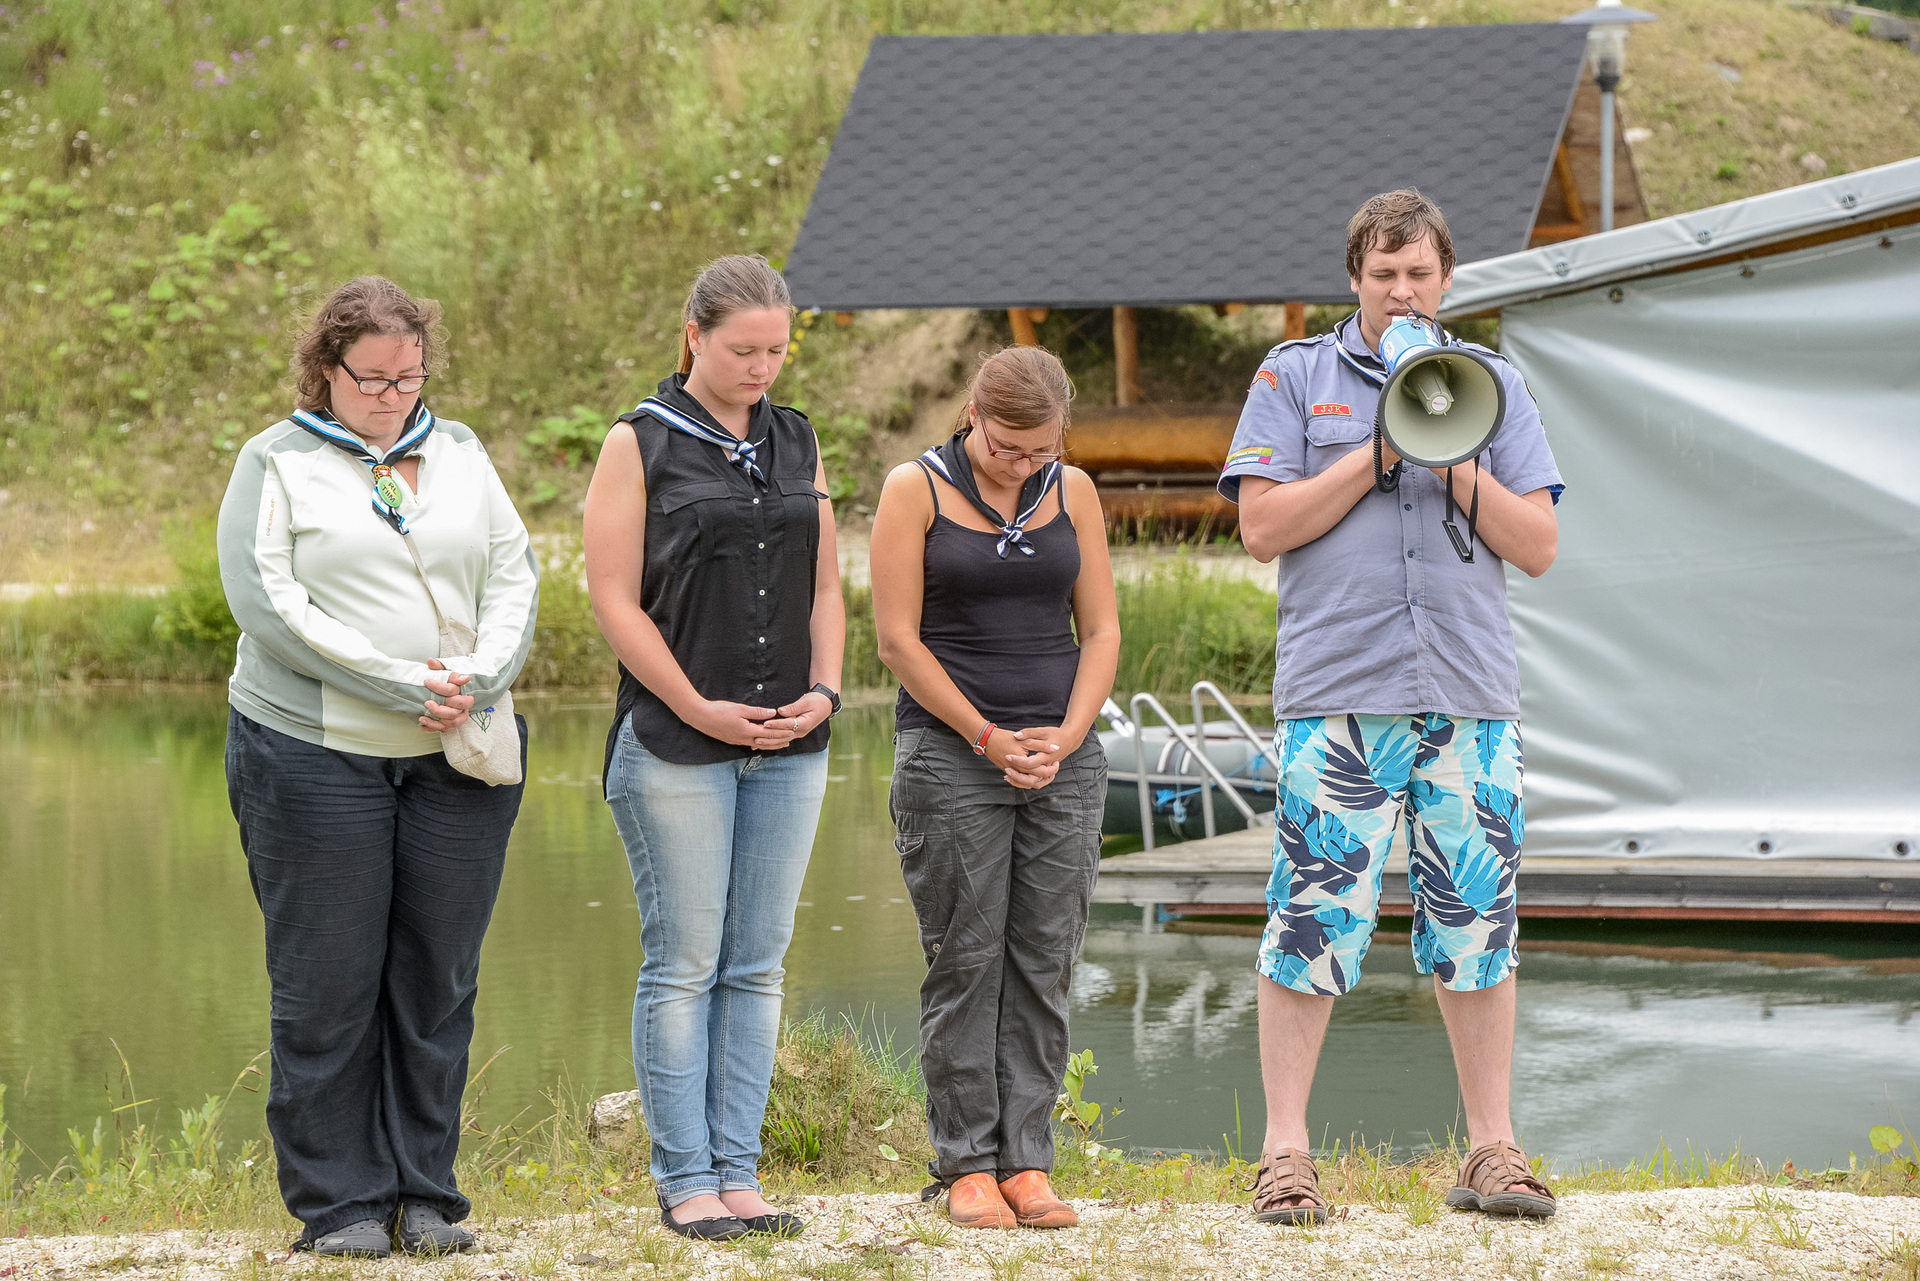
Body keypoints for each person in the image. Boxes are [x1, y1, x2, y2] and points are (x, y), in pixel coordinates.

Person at [1219, 190, 1566, 1225]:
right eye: (1384, 275)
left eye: (1419, 274)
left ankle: (1492, 1148)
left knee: (1478, 921)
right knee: (1312, 919)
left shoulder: (1493, 383)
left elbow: (1539, 546)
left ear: (1445, 279)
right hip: (1339, 693)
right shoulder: (1294, 376)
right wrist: (1374, 456)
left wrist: (1453, 463)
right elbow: (1262, 528)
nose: (1402, 291)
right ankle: (1286, 1153)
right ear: (1356, 280)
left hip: (1468, 694)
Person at [217, 276, 540, 1257]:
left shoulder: (461, 452)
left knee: (437, 980)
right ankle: (340, 1204)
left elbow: (514, 571)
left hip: (456, 751)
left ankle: (424, 1195)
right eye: (372, 379)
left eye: (410, 378)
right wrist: (404, 683)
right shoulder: (275, 462)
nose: (393, 397)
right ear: (326, 368)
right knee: (328, 984)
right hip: (312, 755)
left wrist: (481, 676)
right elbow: (269, 606)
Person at [582, 254, 843, 1243]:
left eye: (777, 350)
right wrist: (698, 705)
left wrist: (825, 691)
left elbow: (826, 583)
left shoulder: (798, 439)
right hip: (674, 741)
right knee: (685, 962)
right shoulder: (638, 441)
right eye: (743, 350)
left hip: (792, 741)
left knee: (759, 965)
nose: (762, 367)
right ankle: (685, 1179)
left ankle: (740, 1175)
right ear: (695, 336)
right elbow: (613, 599)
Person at [870, 345, 1120, 1232]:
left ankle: (1029, 1161)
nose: (1022, 464)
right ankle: (966, 1165)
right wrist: (985, 735)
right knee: (966, 960)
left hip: (1062, 758)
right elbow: (897, 640)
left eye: (1040, 450)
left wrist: (1070, 735)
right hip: (952, 756)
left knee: (1045, 960)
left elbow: (1100, 630)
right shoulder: (915, 489)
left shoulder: (1073, 490)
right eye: (1007, 446)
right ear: (973, 413)